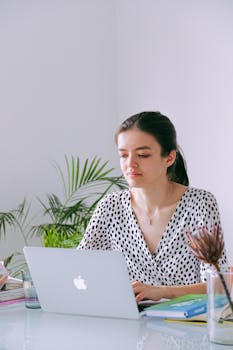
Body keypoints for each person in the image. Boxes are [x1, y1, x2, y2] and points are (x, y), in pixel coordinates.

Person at [78, 111, 227, 302]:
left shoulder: (199, 204)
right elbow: (79, 269)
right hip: (130, 323)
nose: (130, 164)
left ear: (169, 158)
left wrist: (162, 291)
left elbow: (220, 284)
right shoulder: (110, 206)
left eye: (143, 155)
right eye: (123, 155)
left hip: (187, 324)